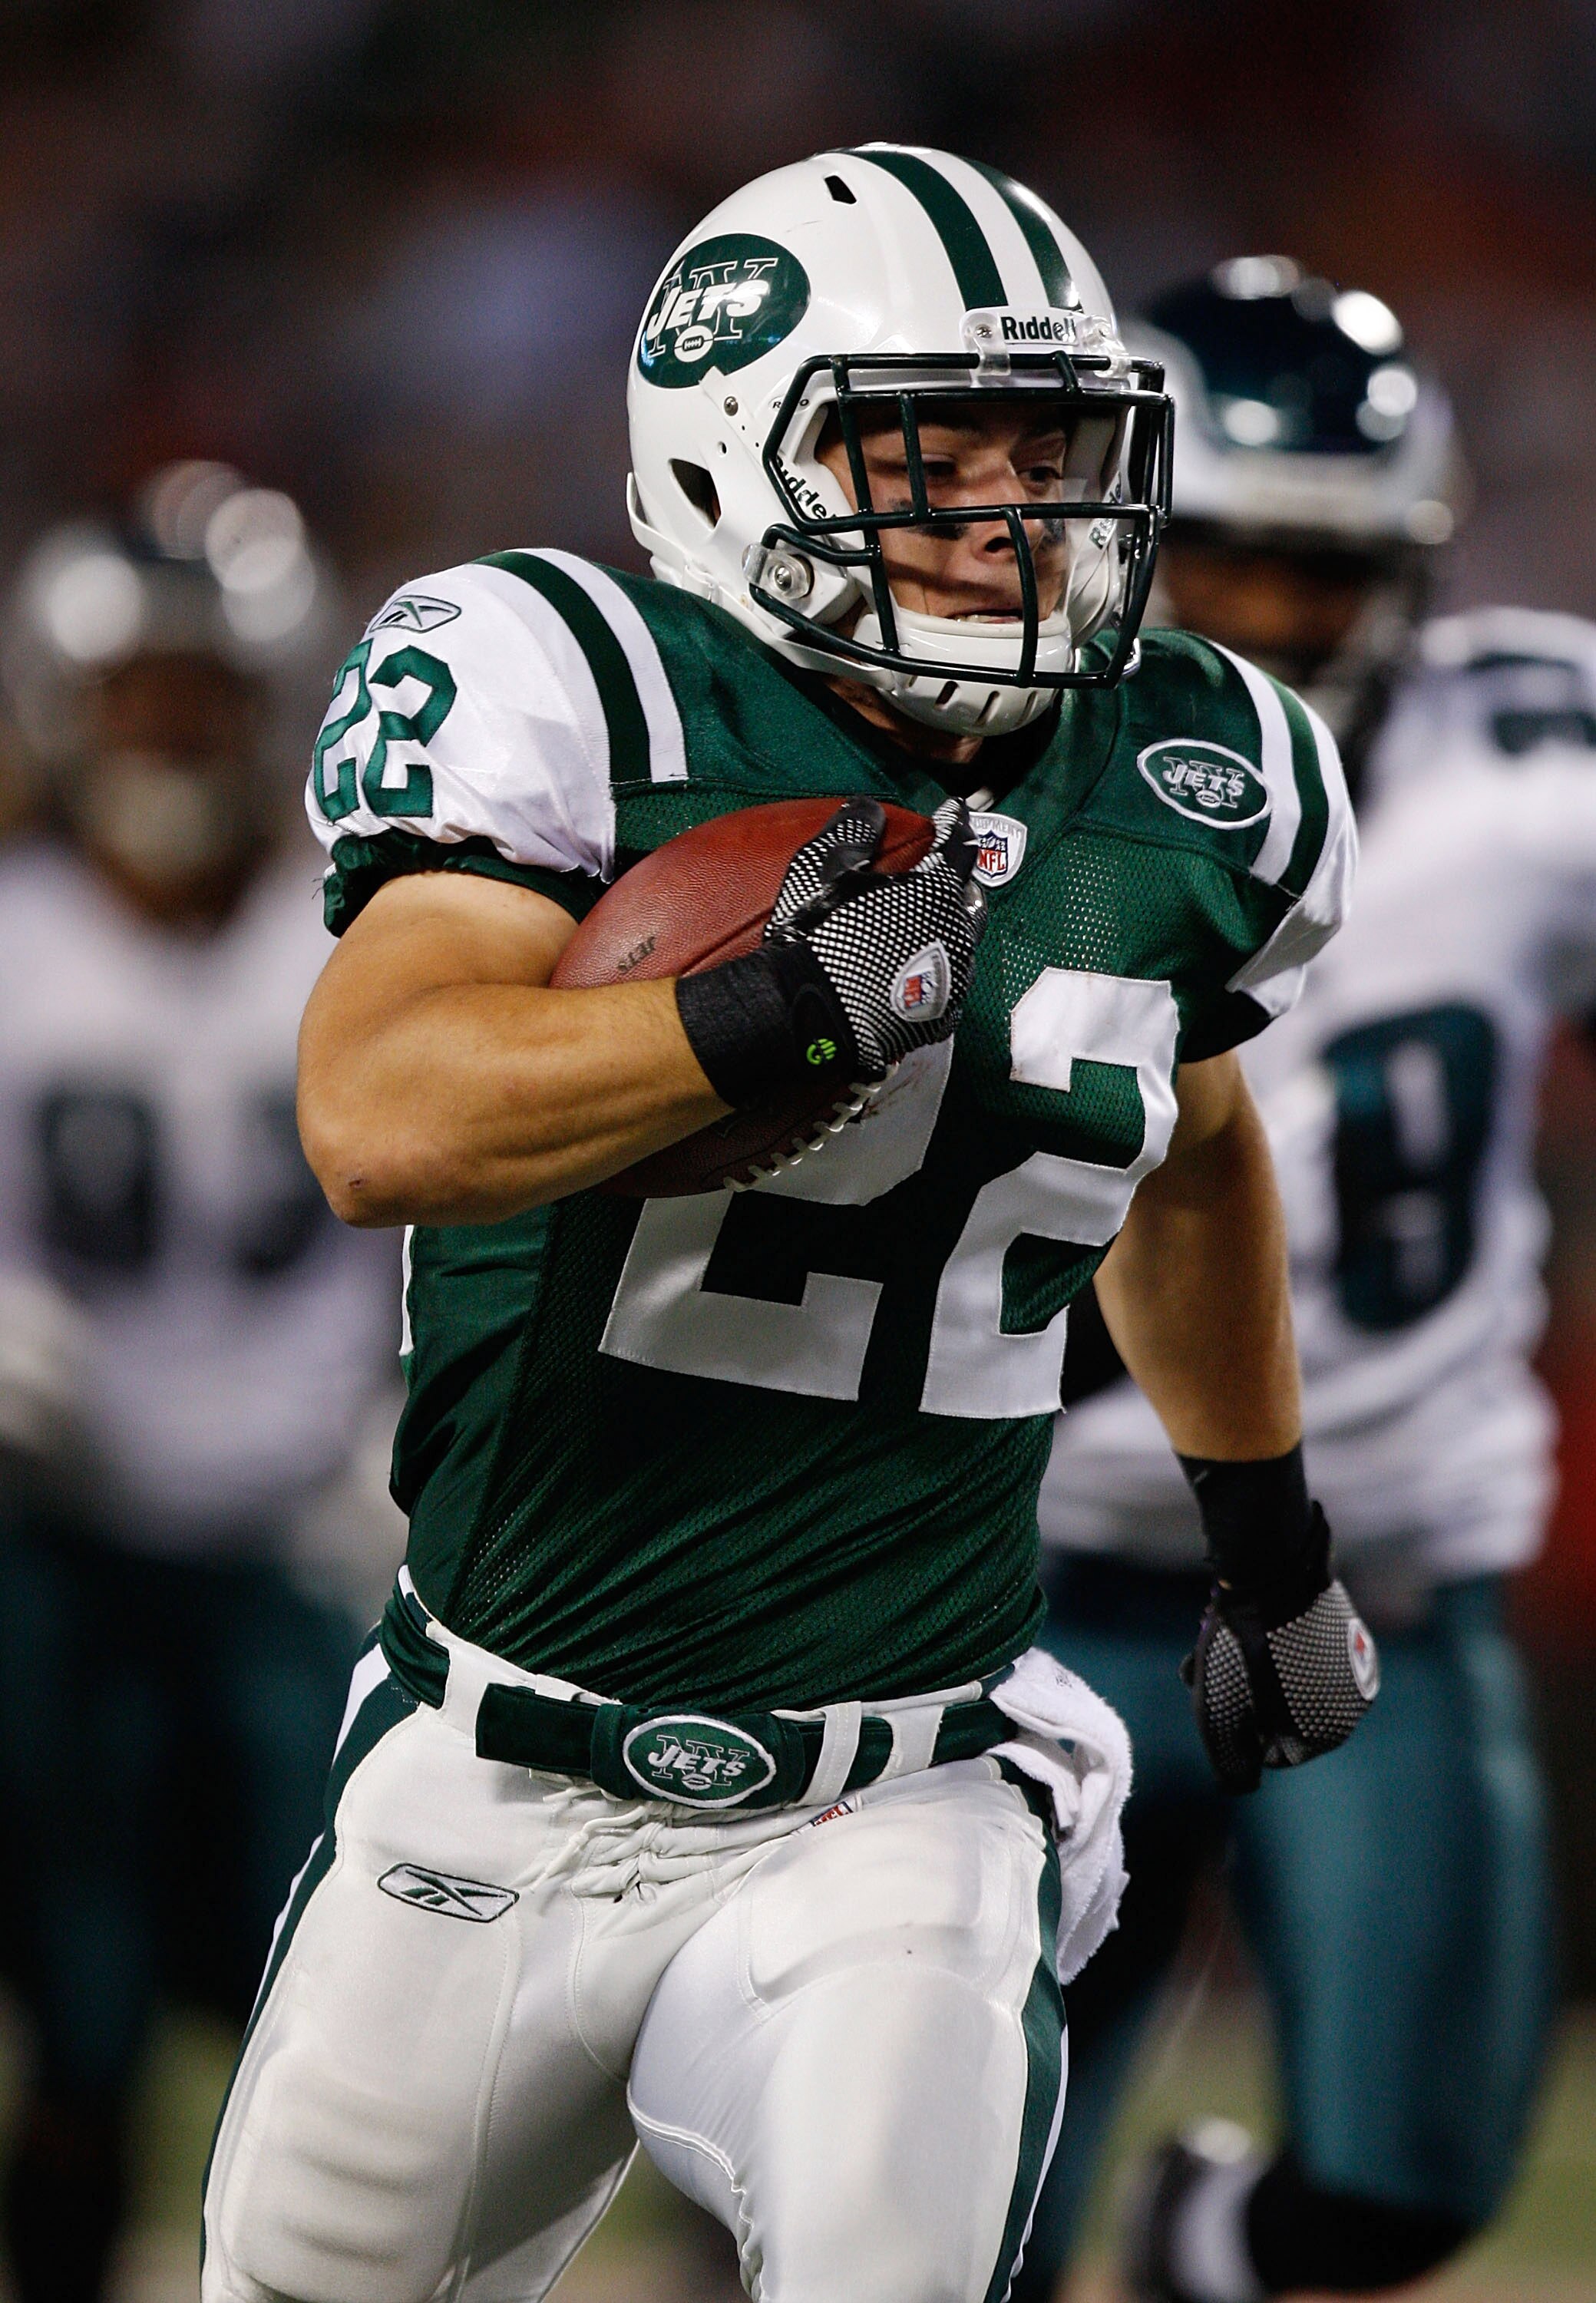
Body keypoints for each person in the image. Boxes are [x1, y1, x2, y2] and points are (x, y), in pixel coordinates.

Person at [202, 151, 1365, 2303]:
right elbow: (378, 1112)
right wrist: (756, 1013)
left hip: (899, 1790)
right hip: (493, 1767)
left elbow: (1183, 1144)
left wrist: (1270, 1539)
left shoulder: (1209, 772)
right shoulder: (580, 682)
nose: (1018, 512)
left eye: (1058, 449)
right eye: (931, 452)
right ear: (738, 454)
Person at [1018, 258, 1575, 2303]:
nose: (1270, 625)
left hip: (1382, 1586)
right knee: (933, 2203)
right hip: (1024, 1575)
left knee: (1405, 2191)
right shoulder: (990, 762)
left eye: (1325, 575)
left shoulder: (1531, 760)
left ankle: (1204, 2253)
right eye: (1230, 565)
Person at [0, 467, 405, 2303]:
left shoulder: (360, 941)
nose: (169, 729)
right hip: (50, 1540)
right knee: (72, 2021)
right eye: (137, 691)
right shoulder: (19, 935)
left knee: (316, 2021)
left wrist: (415, 1415)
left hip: (296, 1543)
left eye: (204, 692)